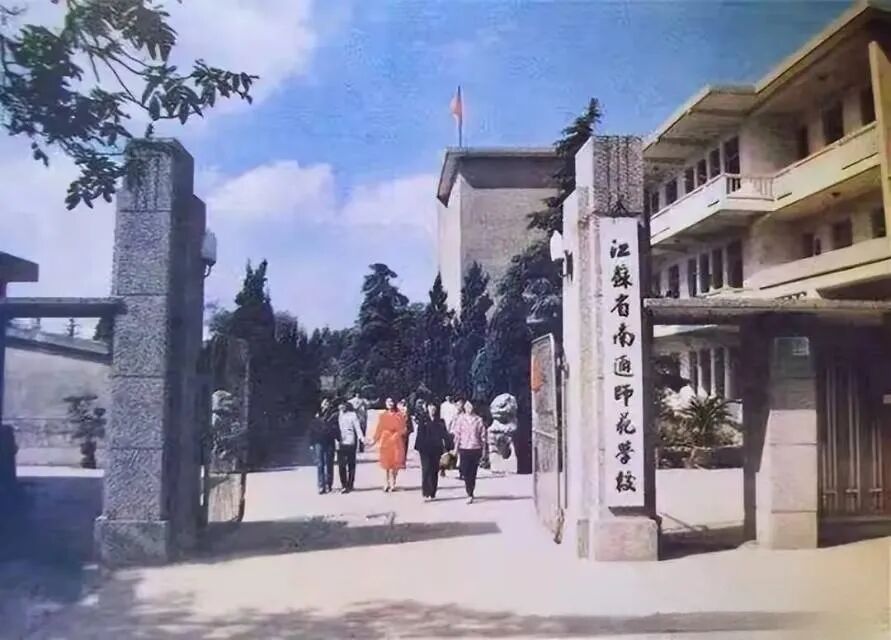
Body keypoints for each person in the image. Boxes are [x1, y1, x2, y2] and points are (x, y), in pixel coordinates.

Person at [367, 397, 407, 492]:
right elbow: (379, 429)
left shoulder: (399, 415)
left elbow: (403, 429)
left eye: (391, 401)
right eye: (388, 401)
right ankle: (386, 483)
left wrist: (397, 435)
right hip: (385, 441)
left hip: (396, 441)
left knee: (395, 463)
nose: (390, 403)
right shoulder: (383, 415)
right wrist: (374, 441)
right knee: (386, 464)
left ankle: (393, 482)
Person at [451, 400, 486, 503]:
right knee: (465, 470)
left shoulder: (478, 420)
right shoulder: (460, 419)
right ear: (464, 408)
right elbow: (457, 435)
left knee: (473, 472)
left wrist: (484, 450)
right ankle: (468, 488)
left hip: (475, 448)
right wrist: (455, 449)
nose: (469, 408)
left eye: (470, 406)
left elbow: (483, 436)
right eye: (467, 406)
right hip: (464, 448)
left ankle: (470, 492)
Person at [414, 401, 450, 501]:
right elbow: (420, 434)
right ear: (427, 408)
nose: (432, 409)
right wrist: (419, 447)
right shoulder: (423, 420)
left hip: (436, 449)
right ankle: (426, 491)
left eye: (434, 408)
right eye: (430, 407)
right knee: (426, 470)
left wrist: (447, 447)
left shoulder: (440, 421)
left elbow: (445, 435)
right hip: (425, 449)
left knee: (434, 470)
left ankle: (432, 492)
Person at [309, 402, 337, 494]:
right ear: (321, 405)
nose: (326, 405)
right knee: (320, 464)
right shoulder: (316, 416)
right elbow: (311, 430)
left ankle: (329, 484)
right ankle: (321, 485)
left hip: (329, 442)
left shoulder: (333, 415)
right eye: (324, 403)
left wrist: (338, 439)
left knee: (329, 464)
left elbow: (336, 429)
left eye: (327, 404)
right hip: (318, 442)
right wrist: (311, 443)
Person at [336, 402, 362, 493]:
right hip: (340, 442)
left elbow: (357, 428)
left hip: (350, 441)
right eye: (340, 405)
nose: (341, 407)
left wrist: (361, 438)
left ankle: (350, 484)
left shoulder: (352, 415)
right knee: (341, 465)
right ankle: (344, 485)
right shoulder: (336, 415)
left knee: (351, 464)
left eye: (343, 405)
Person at [397, 398, 413, 464]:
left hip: (406, 430)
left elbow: (409, 419)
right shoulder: (398, 409)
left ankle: (403, 460)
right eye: (402, 402)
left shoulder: (407, 409)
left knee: (405, 445)